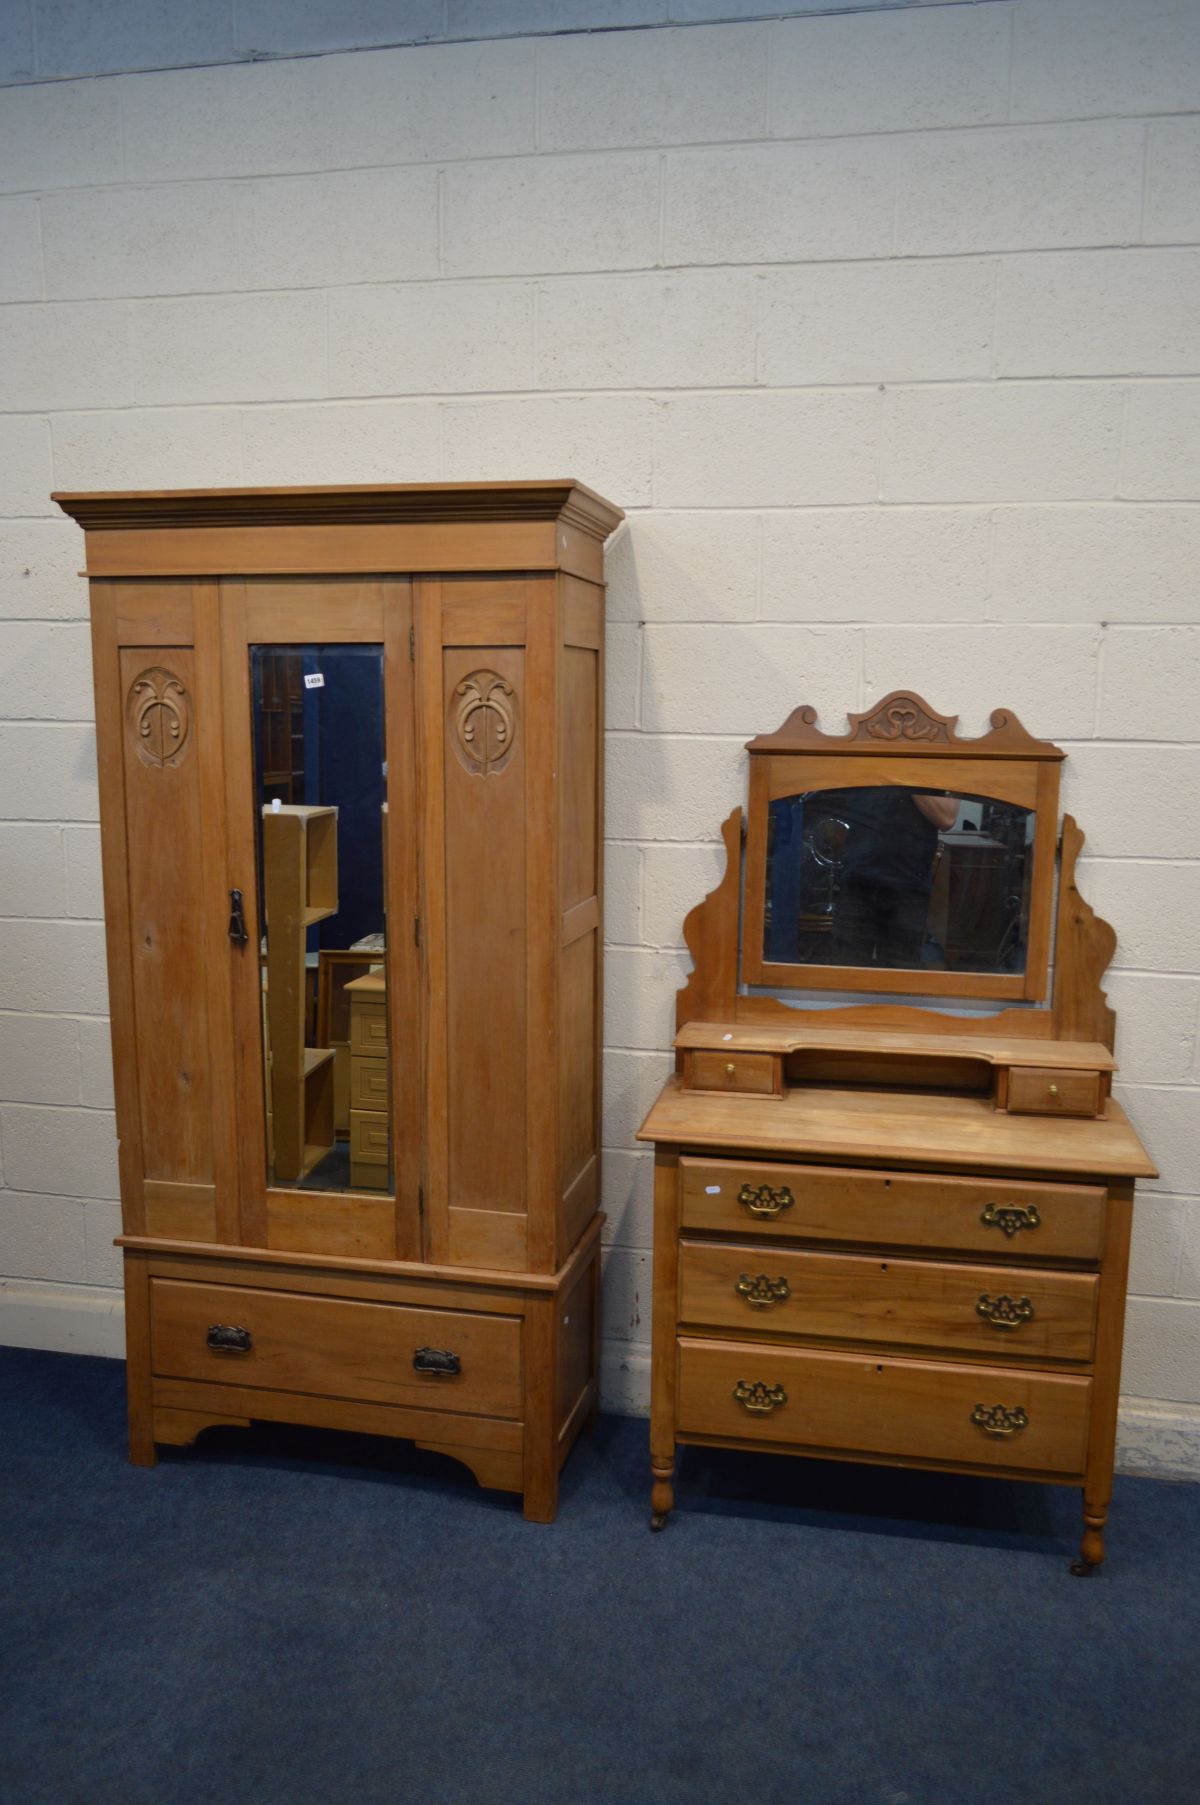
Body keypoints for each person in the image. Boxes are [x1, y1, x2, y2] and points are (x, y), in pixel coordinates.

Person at [824, 785, 958, 968]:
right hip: (858, 879)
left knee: (899, 975)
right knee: (848, 973)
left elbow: (946, 817)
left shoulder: (936, 762)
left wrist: (902, 773)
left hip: (907, 885)